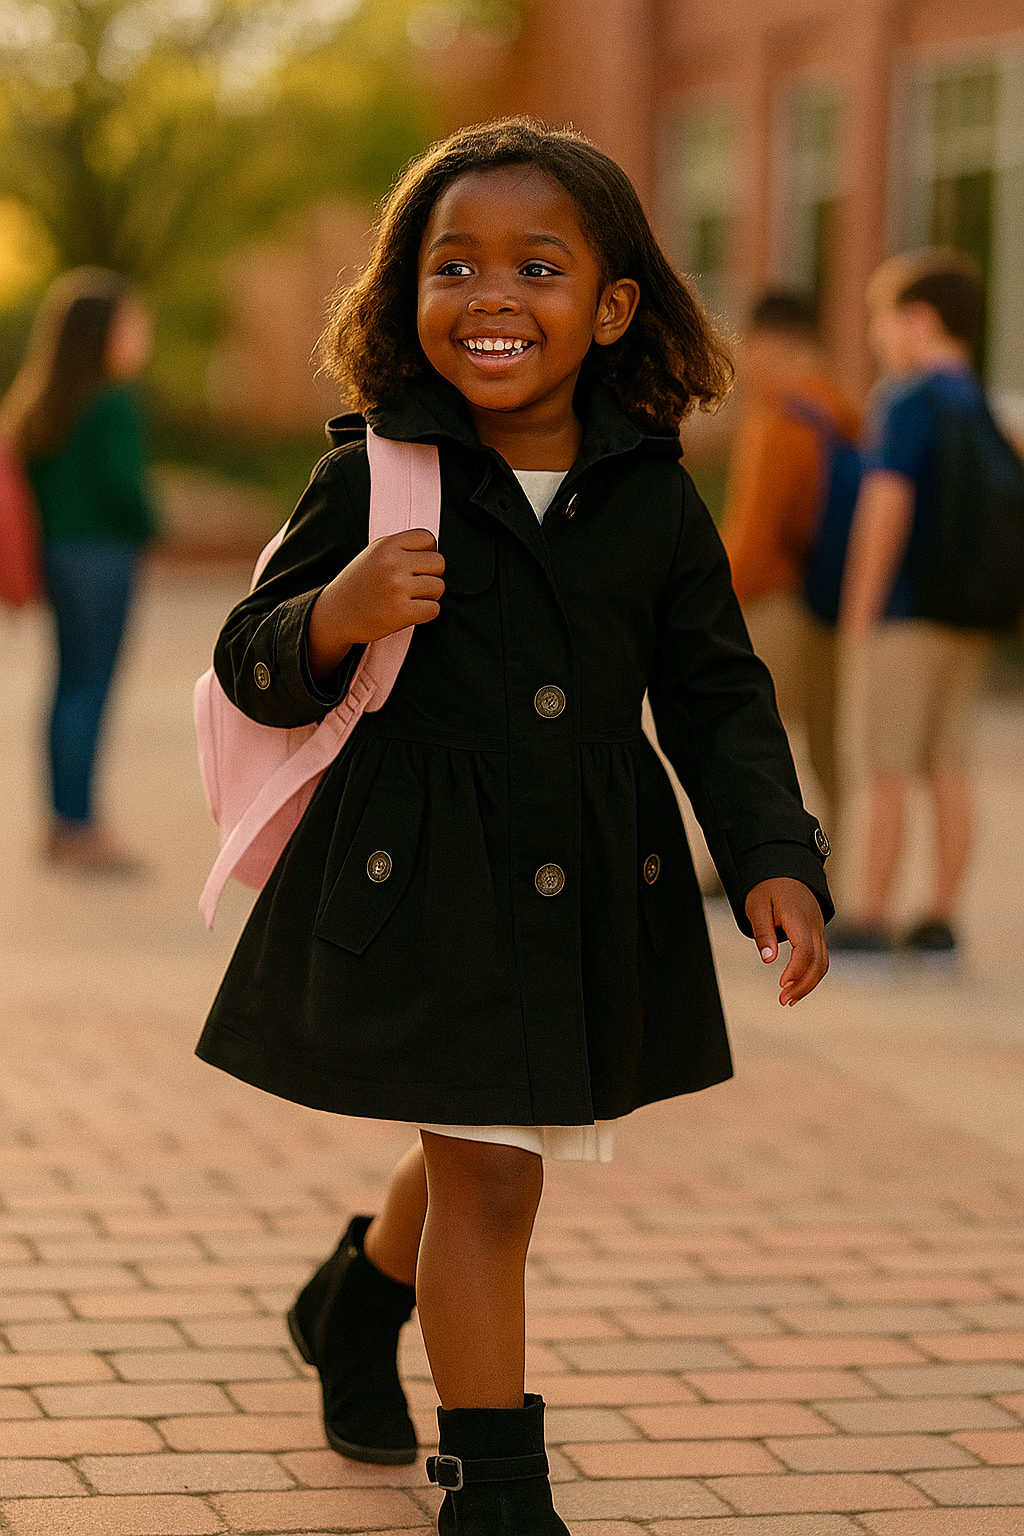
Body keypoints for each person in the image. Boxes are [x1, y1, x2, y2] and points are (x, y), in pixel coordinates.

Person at [195, 119, 832, 1534]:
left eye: (538, 267)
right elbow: (249, 659)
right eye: (455, 266)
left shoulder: (655, 494)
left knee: (487, 1134)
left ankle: (356, 1299)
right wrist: (334, 615)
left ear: (611, 306)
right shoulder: (375, 475)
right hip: (421, 877)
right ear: (406, 295)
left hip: (586, 872)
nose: (493, 295)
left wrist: (776, 857)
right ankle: (494, 1492)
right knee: (489, 1172)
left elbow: (718, 693)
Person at [836, 248, 991, 957]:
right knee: (948, 766)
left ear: (920, 320)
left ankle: (870, 921)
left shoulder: (905, 401)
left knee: (885, 767)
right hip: (967, 616)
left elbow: (885, 509)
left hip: (901, 616)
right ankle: (940, 922)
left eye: (883, 319)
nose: (877, 336)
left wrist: (857, 616)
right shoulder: (979, 404)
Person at [0, 267, 157, 872]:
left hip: (58, 559)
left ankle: (62, 819)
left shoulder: (40, 403)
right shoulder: (113, 402)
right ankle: (79, 827)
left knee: (68, 685)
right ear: (102, 334)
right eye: (130, 323)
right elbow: (125, 491)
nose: (141, 333)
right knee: (91, 688)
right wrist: (152, 524)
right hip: (103, 559)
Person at [721, 289, 860, 834]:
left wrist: (713, 600)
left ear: (773, 343)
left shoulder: (778, 420)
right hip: (832, 598)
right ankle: (836, 862)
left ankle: (755, 858)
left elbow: (755, 534)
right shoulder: (843, 412)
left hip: (776, 603)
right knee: (827, 746)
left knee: (749, 736)